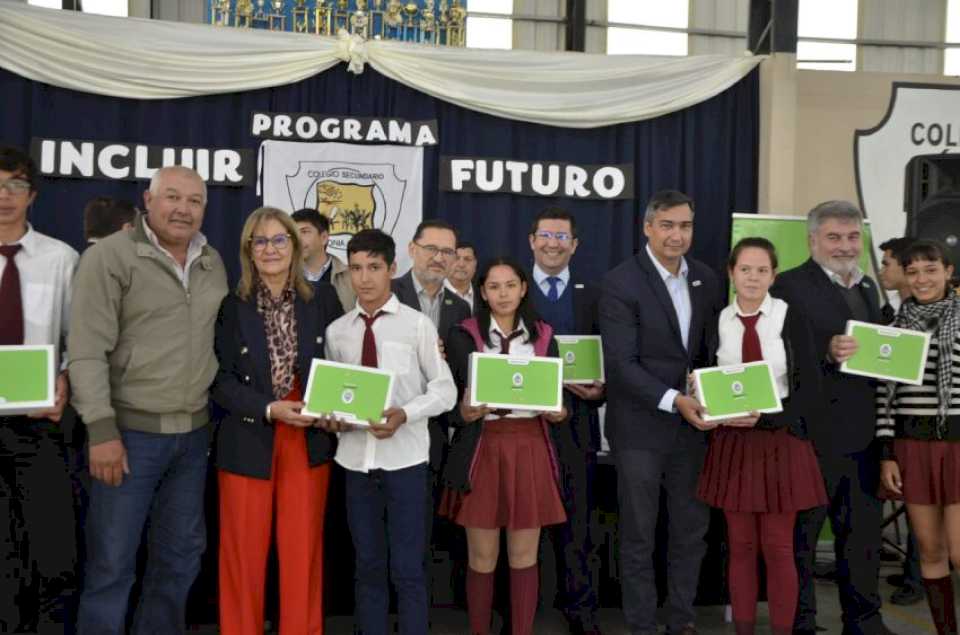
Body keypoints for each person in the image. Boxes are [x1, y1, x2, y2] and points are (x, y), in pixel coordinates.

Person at [69, 166, 228, 633]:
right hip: (128, 438)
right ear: (148, 200)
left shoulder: (210, 259)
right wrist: (101, 429)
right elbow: (86, 350)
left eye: (194, 201)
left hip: (193, 438)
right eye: (172, 197)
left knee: (180, 560)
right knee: (111, 564)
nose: (182, 209)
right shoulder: (111, 257)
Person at [317, 229, 456, 635]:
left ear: (393, 269)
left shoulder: (417, 327)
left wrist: (405, 414)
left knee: (409, 568)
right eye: (356, 268)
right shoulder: (338, 331)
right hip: (355, 463)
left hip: (406, 463)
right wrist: (331, 417)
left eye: (374, 267)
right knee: (367, 566)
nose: (364, 278)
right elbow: (333, 394)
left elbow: (445, 390)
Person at [211, 207, 343, 634]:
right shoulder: (232, 305)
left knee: (302, 553)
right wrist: (268, 408)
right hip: (252, 433)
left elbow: (342, 365)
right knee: (243, 556)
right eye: (260, 241)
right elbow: (220, 381)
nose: (270, 249)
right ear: (249, 250)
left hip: (307, 438)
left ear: (296, 244)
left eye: (279, 239)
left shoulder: (322, 299)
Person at [599, 190, 722, 635]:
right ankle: (642, 625)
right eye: (667, 225)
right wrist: (675, 400)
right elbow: (621, 364)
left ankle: (683, 620)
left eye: (685, 225)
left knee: (690, 532)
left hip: (694, 431)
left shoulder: (707, 279)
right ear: (647, 227)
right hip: (640, 431)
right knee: (638, 536)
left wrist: (714, 390)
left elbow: (711, 353)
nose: (677, 234)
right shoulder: (620, 282)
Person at [769, 200, 895, 635]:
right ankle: (800, 622)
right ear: (812, 240)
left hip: (863, 435)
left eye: (853, 237)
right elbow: (779, 358)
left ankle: (864, 620)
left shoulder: (868, 289)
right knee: (801, 540)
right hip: (810, 436)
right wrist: (825, 350)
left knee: (861, 539)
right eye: (834, 237)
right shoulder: (786, 286)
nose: (845, 247)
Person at [695, 237, 828, 635]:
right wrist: (699, 392)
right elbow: (704, 374)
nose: (753, 277)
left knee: (779, 547)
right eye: (745, 269)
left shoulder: (791, 317)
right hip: (733, 444)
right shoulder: (716, 320)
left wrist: (767, 420)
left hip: (780, 440)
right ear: (731, 273)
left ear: (774, 275)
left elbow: (811, 390)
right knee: (740, 547)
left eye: (762, 270)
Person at [439, 257, 569, 635]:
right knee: (482, 557)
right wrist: (462, 412)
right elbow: (447, 405)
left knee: (524, 555)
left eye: (510, 285)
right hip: (482, 450)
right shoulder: (462, 335)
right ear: (482, 292)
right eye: (494, 287)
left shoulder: (544, 336)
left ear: (523, 287)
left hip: (529, 446)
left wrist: (560, 411)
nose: (503, 293)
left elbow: (558, 398)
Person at [0, 145, 78, 633]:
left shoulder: (60, 258)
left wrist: (66, 379)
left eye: (15, 186)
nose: (4, 196)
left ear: (32, 195)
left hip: (38, 422)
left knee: (50, 548)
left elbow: (78, 339)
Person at [527, 207, 604, 635]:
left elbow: (612, 358)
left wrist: (602, 389)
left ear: (574, 245)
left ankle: (581, 609)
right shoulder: (511, 291)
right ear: (531, 241)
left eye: (562, 237)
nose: (553, 243)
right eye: (546, 235)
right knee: (522, 524)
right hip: (525, 425)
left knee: (579, 524)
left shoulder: (593, 293)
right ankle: (523, 610)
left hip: (577, 423)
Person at [877, 240, 960, 635]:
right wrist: (887, 453)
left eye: (931, 269)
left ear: (948, 271)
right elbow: (885, 399)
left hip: (958, 445)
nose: (922, 278)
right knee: (930, 551)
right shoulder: (893, 329)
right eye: (913, 272)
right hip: (912, 447)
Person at [877, 235, 924, 607]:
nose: (882, 271)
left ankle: (917, 578)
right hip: (894, 424)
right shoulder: (889, 313)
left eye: (888, 263)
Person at [292, 207, 354, 312]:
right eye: (294, 233)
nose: (298, 239)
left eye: (304, 232)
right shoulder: (283, 276)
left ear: (324, 238)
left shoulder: (350, 276)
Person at [445, 240, 480, 314]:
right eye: (456, 258)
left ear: (475, 265)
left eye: (467, 259)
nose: (461, 264)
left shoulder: (483, 297)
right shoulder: (435, 293)